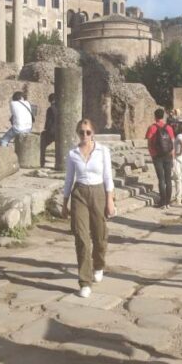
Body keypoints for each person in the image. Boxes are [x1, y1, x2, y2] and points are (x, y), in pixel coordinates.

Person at [61, 118, 116, 299]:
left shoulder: (102, 151)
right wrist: (64, 202)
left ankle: (98, 265)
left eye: (88, 132)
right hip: (80, 193)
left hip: (99, 192)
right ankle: (85, 281)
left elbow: (108, 176)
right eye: (81, 132)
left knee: (100, 235)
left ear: (93, 133)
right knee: (82, 238)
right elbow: (69, 179)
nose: (84, 135)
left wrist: (110, 200)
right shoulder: (73, 153)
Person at [145, 108, 175, 209]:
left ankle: (162, 202)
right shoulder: (169, 128)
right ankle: (168, 202)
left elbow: (149, 142)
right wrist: (172, 156)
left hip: (157, 156)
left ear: (155, 116)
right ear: (163, 116)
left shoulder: (152, 127)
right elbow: (172, 143)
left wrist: (152, 153)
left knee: (161, 179)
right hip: (168, 155)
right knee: (168, 179)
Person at [40, 94, 57, 168]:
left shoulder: (50, 109)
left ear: (49, 100)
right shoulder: (62, 107)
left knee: (42, 142)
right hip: (60, 132)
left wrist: (46, 129)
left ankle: (41, 161)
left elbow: (48, 122)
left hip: (53, 132)